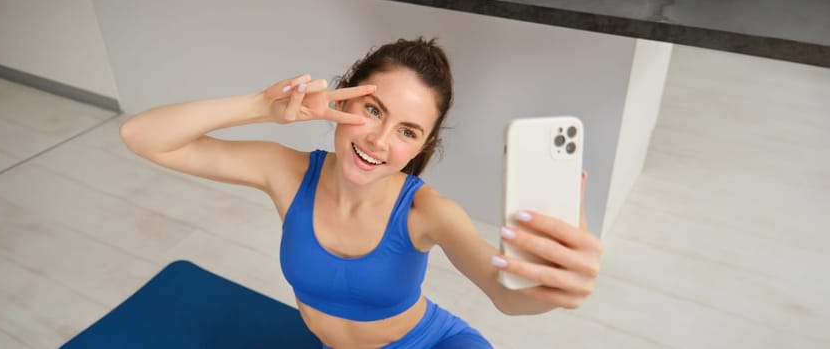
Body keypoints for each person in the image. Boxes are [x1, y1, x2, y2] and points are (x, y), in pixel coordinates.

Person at [120, 37, 603, 348]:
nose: (379, 140)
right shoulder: (286, 173)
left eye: (408, 131)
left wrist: (553, 287)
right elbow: (142, 137)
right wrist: (260, 106)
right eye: (372, 110)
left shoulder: (426, 210)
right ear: (341, 97)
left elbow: (507, 297)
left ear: (422, 145)